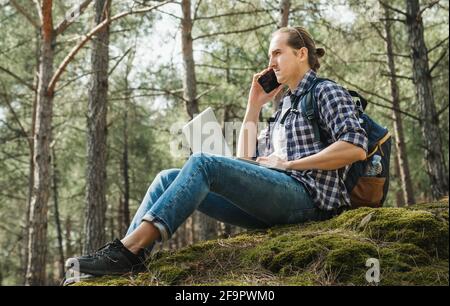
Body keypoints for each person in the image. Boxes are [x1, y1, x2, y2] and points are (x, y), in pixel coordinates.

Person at [67, 26, 368, 276]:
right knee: (166, 178)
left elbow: (356, 147)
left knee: (203, 162)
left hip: (311, 201)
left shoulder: (325, 91)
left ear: (302, 54)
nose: (271, 62)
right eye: (269, 55)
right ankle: (131, 258)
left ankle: (126, 251)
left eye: (278, 53)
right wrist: (254, 105)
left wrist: (291, 164)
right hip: (277, 199)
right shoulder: (284, 106)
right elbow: (243, 160)